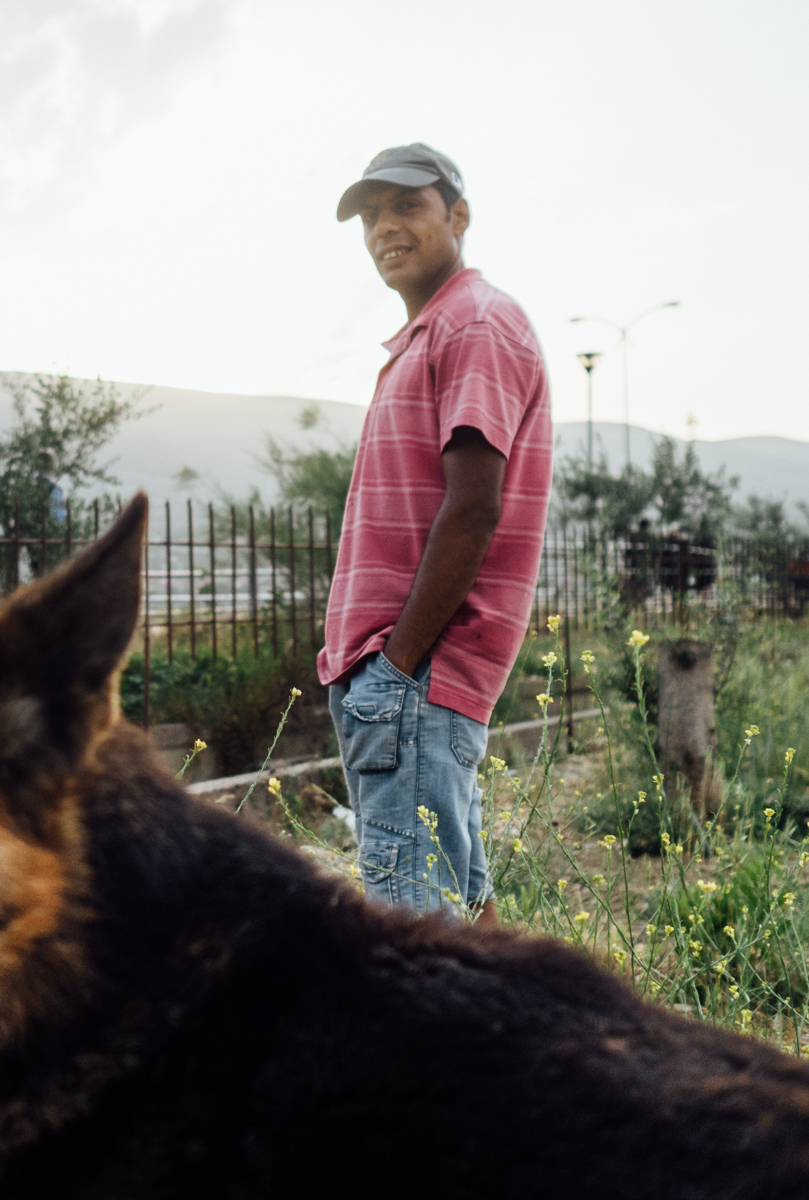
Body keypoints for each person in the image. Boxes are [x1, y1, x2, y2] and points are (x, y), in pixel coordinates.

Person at [317, 144, 552, 923]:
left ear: (458, 216)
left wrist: (398, 663)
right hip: (402, 681)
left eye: (407, 207)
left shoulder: (475, 323)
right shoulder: (434, 332)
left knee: (416, 943)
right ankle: (532, 1048)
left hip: (414, 677)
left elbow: (474, 506)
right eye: (371, 216)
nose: (385, 227)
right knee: (467, 934)